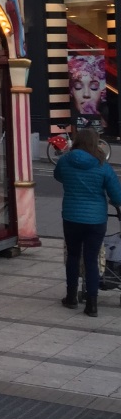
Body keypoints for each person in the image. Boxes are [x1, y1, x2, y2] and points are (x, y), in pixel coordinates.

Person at [55, 127, 121, 317]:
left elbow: (58, 176)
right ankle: (92, 305)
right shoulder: (102, 165)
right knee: (91, 259)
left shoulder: (65, 160)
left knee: (73, 256)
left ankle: (71, 296)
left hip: (71, 217)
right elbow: (117, 195)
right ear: (96, 142)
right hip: (95, 220)